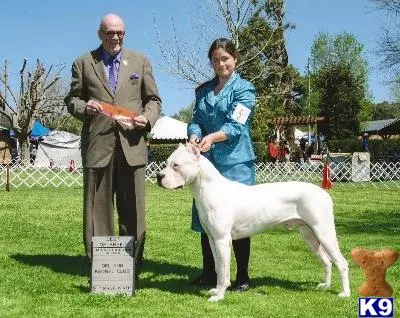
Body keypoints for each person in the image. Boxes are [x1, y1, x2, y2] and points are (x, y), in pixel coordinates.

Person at [64, 13, 162, 281]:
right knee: (98, 208)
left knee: (134, 209)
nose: (115, 37)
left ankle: (132, 266)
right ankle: (102, 268)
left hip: (133, 146)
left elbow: (153, 100)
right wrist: (85, 107)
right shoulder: (83, 63)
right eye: (110, 33)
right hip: (98, 146)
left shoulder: (140, 61)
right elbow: (72, 99)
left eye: (120, 32)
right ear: (100, 34)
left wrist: (148, 118)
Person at [187, 38, 256, 292]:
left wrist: (213, 137)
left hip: (236, 163)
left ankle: (243, 276)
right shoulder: (202, 90)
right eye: (215, 60)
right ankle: (209, 272)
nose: (220, 64)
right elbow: (195, 120)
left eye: (225, 58)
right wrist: (194, 134)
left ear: (235, 59)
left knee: (240, 219)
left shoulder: (245, 89)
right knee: (207, 218)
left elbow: (237, 125)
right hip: (205, 164)